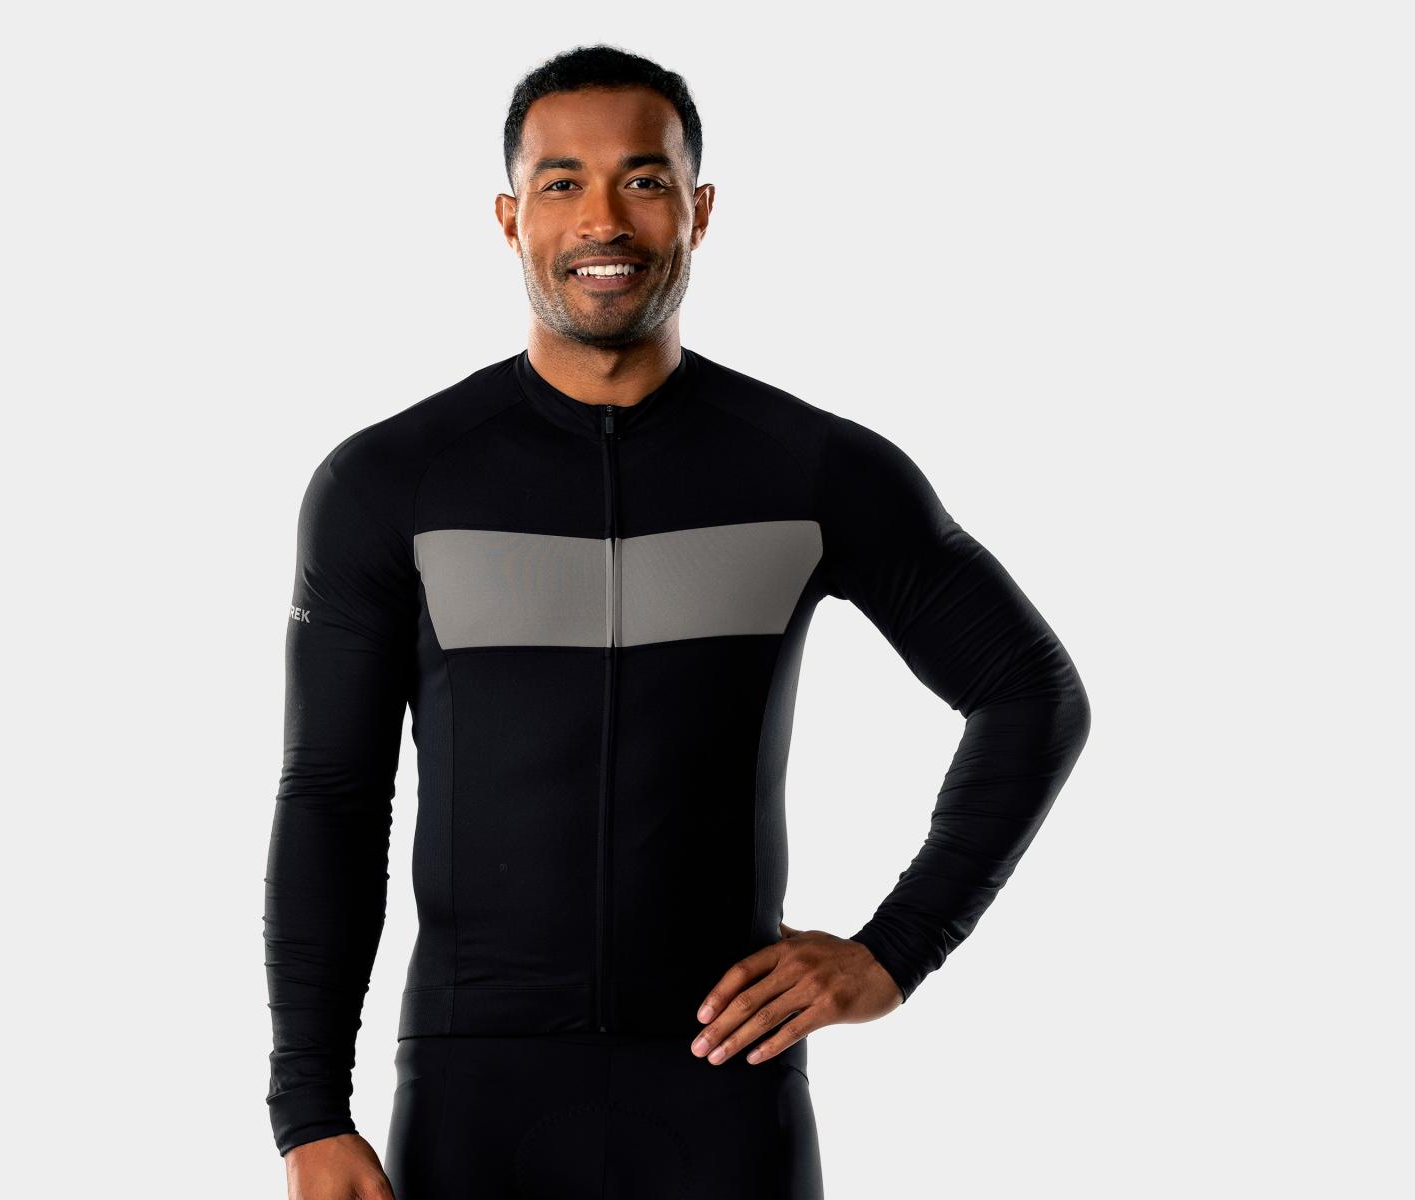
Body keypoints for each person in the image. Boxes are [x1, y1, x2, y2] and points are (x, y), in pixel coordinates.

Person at [264, 43, 1091, 1200]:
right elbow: (333, 798)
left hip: (724, 1090)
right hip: (473, 1095)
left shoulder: (812, 469)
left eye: (642, 180)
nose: (602, 218)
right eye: (561, 182)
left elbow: (1029, 694)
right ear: (509, 218)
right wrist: (309, 1112)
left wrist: (895, 952)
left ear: (698, 211)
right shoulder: (391, 483)